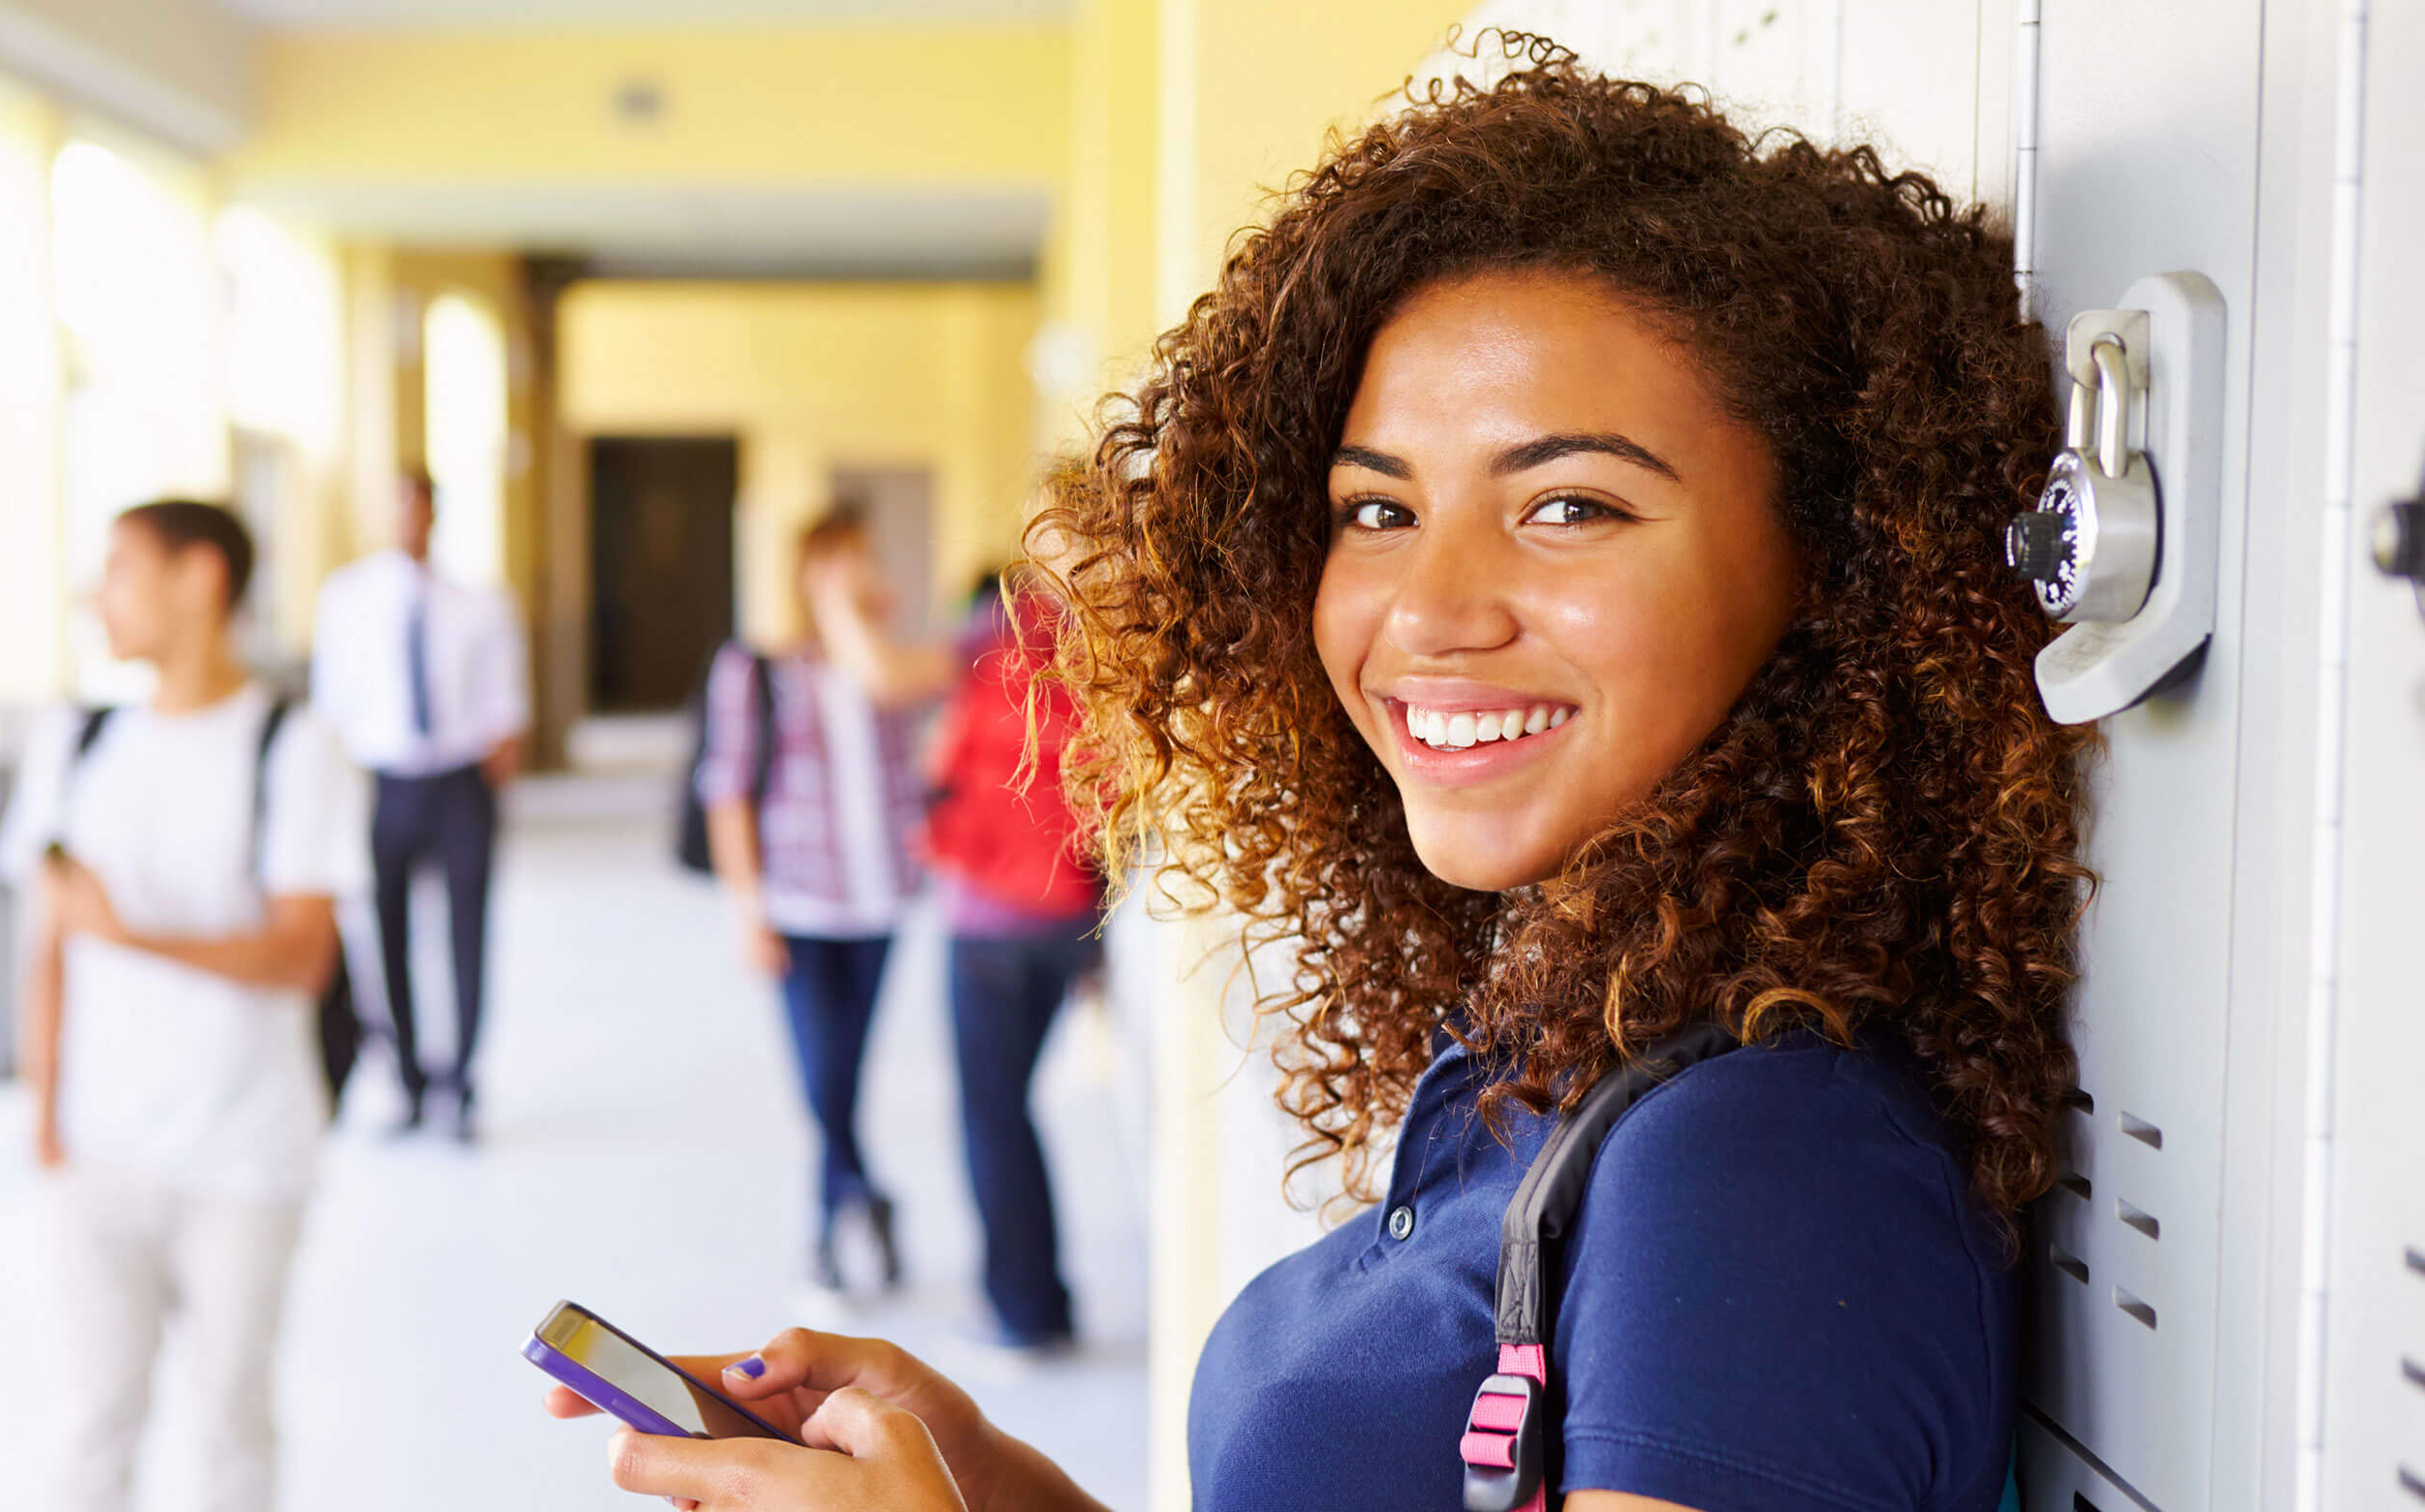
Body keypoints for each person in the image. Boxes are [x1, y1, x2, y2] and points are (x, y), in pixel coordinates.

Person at [545, 36, 2089, 1512]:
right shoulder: (1567, 1030)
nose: (1428, 612)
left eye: (1569, 507)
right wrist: (992, 1490)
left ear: (1839, 563)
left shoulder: (1764, 1169)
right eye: (1377, 512)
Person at [0, 500, 366, 1512]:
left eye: (118, 567)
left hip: (244, 1155)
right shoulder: (75, 742)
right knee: (92, 1424)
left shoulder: (296, 745)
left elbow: (301, 955)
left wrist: (131, 937)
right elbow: (47, 947)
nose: (95, 594)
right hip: (97, 1149)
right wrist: (46, 1116)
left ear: (201, 578)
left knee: (230, 1425)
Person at [700, 504, 953, 1294]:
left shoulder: (887, 667)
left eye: (866, 559)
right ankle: (856, 1203)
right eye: (842, 560)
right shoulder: (756, 671)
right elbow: (727, 793)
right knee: (824, 1080)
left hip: (879, 904)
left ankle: (839, 1218)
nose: (860, 574)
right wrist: (748, 913)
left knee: (843, 1077)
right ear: (807, 574)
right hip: (799, 909)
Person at [311, 467, 528, 1144]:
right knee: (388, 934)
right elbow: (331, 705)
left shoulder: (480, 603)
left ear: (435, 515)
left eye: (419, 507)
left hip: (458, 779)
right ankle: (407, 1078)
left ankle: (460, 1080)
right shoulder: (345, 599)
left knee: (466, 931)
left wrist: (498, 764)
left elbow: (506, 703)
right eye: (395, 507)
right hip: (383, 781)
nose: (408, 520)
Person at [922, 562, 1103, 1355]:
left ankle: (1023, 1309)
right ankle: (1044, 1296)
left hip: (987, 923)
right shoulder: (1095, 654)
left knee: (993, 1118)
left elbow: (927, 746)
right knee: (1014, 1110)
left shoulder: (986, 647)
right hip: (1065, 919)